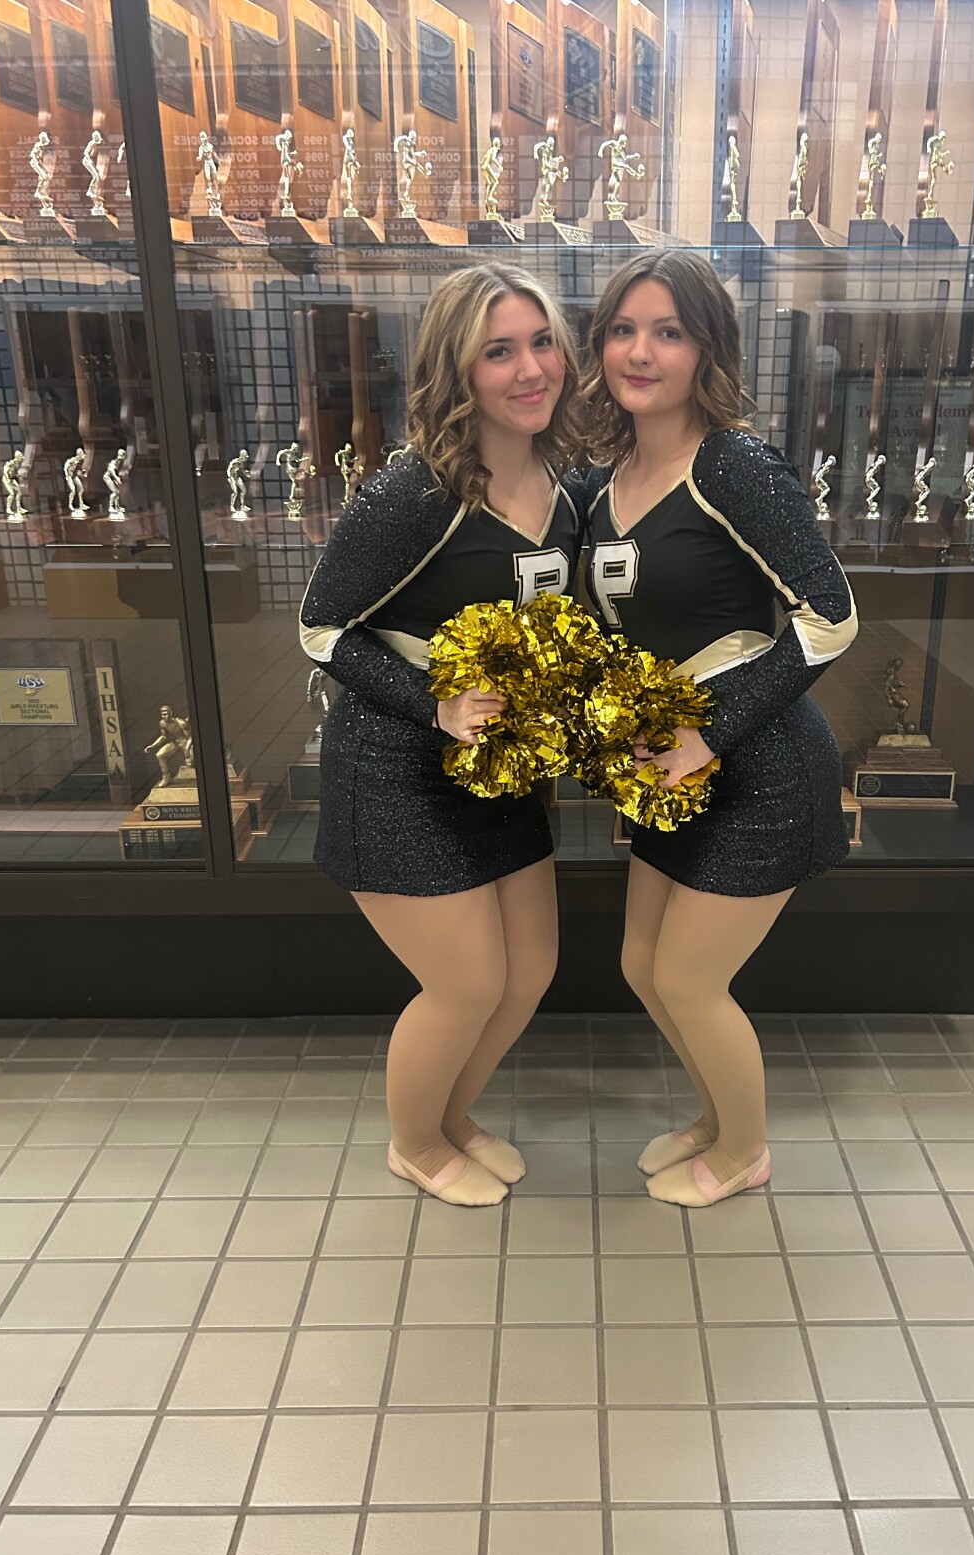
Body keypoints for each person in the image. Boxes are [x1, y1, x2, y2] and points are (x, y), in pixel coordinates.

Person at [578, 248, 858, 1207]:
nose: (640, 353)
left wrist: (712, 732)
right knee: (642, 966)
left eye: (668, 332)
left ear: (706, 349)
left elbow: (832, 618)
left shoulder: (733, 465)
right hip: (670, 771)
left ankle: (745, 1153)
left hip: (760, 767)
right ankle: (715, 1119)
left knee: (692, 981)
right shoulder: (609, 476)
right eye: (623, 330)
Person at [300, 264, 582, 1207]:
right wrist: (435, 704)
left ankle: (451, 1118)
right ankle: (415, 1145)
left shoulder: (567, 487)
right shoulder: (414, 491)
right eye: (499, 351)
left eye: (540, 343)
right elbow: (320, 628)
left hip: (499, 774)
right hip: (396, 770)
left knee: (528, 971)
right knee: (464, 984)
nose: (529, 369)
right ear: (456, 370)